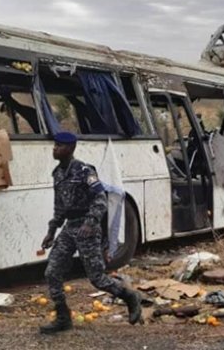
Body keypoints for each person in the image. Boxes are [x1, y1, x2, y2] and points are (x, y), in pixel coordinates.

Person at [39, 132, 142, 334]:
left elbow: (101, 200)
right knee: (52, 272)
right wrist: (52, 231)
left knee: (97, 279)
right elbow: (59, 207)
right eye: (55, 145)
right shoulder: (57, 174)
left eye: (59, 146)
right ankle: (63, 318)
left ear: (70, 149)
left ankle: (129, 296)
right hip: (70, 227)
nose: (55, 149)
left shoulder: (85, 171)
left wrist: (91, 221)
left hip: (88, 228)